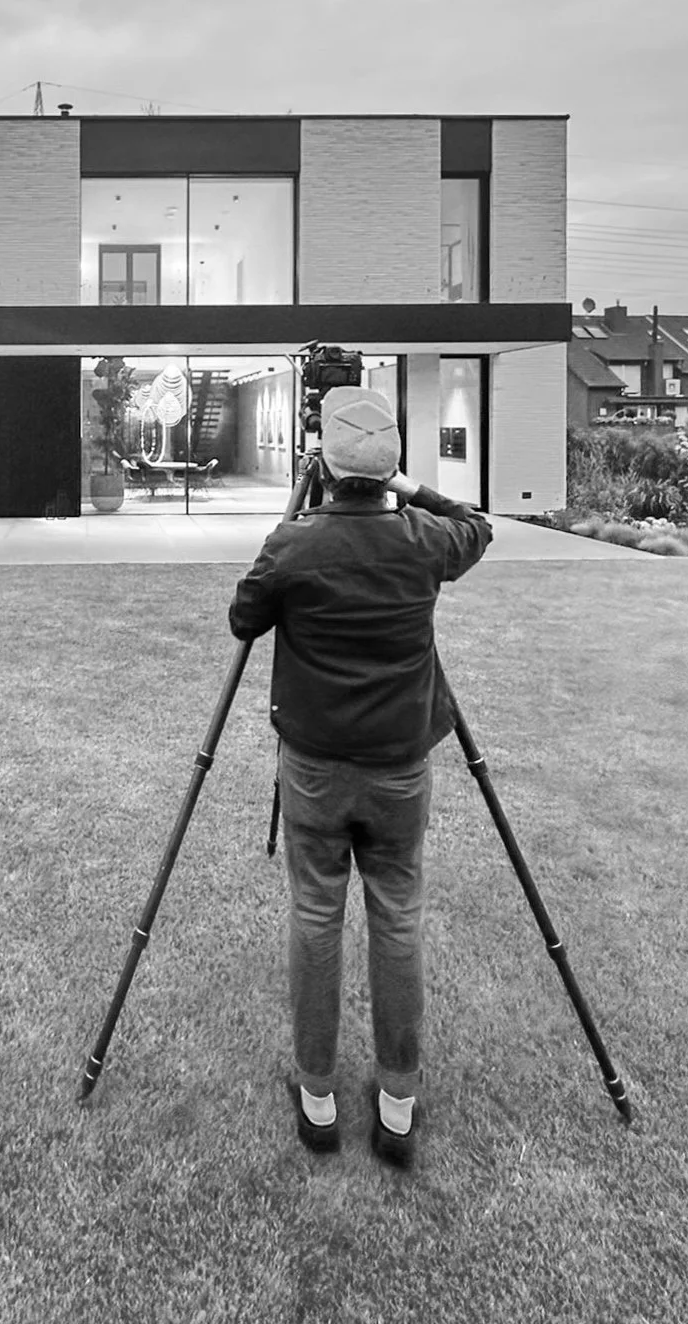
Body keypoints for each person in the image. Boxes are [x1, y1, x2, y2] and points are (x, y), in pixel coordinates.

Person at [228, 384, 492, 1167]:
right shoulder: (423, 541)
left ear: (327, 462)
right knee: (397, 918)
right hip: (399, 768)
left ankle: (316, 1097)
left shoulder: (296, 544)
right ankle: (397, 1105)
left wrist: (287, 526)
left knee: (315, 916)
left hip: (312, 768)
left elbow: (245, 617)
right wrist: (413, 486)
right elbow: (476, 526)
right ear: (387, 468)